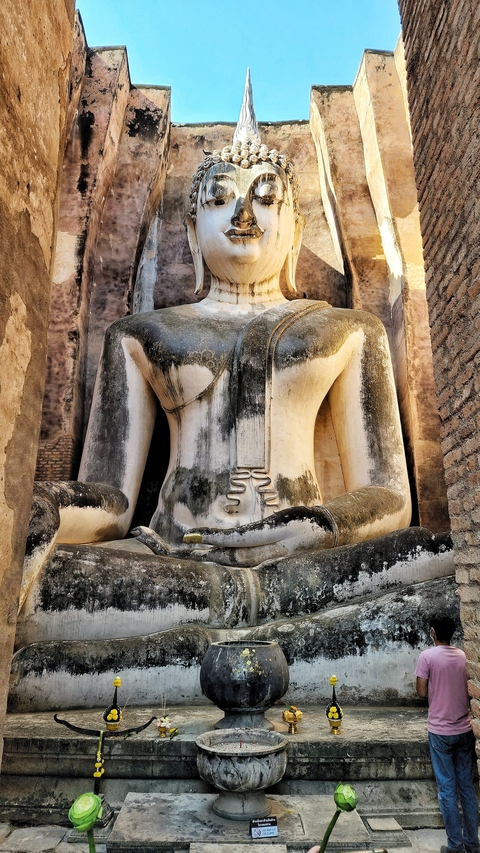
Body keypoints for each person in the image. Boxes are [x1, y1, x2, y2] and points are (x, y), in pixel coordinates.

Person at [415, 615, 480, 853]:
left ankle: (455, 846)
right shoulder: (463, 656)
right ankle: (472, 843)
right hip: (464, 729)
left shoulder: (427, 656)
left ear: (433, 632)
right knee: (467, 788)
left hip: (440, 731)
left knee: (447, 790)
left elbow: (421, 692)